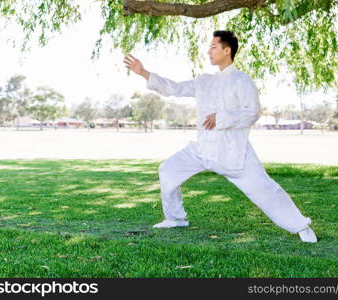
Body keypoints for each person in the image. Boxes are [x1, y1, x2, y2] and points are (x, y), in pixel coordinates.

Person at [123, 30, 317, 243]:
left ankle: (301, 226)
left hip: (233, 152)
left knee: (265, 188)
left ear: (227, 50)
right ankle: (176, 218)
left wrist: (221, 117)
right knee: (168, 170)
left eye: (214, 47)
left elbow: (252, 112)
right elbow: (175, 88)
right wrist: (143, 73)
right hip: (201, 148)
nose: (209, 51)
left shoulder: (242, 80)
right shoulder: (204, 81)